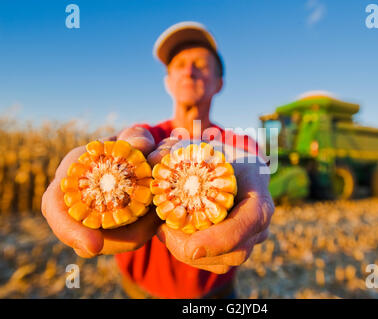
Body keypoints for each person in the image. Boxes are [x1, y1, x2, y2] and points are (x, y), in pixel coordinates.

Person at [41, 21, 274, 299]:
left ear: (219, 82)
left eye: (200, 63)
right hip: (137, 291)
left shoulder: (237, 144)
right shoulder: (146, 136)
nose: (189, 71)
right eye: (179, 65)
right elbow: (117, 143)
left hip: (214, 294)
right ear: (167, 82)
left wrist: (253, 188)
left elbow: (251, 161)